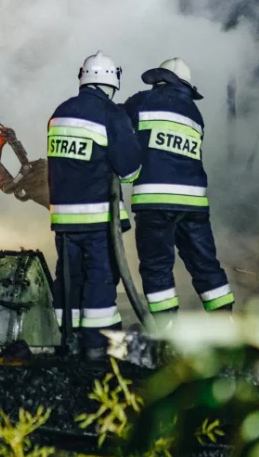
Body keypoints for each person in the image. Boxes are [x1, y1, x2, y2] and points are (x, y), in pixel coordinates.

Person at [123, 58, 234, 325]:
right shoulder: (194, 113)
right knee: (205, 265)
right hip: (194, 204)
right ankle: (226, 326)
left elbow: (115, 130)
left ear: (160, 79)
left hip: (155, 201)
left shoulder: (141, 102)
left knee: (157, 268)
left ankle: (167, 333)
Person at [47, 51, 142, 359]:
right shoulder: (110, 114)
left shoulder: (59, 112)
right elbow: (129, 172)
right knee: (100, 280)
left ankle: (64, 341)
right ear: (113, 81)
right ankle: (97, 347)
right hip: (99, 219)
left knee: (68, 279)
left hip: (63, 219)